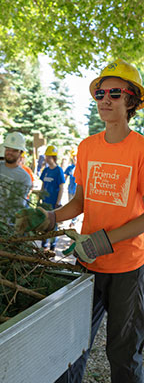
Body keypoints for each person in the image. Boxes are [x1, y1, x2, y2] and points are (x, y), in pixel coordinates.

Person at [15, 59, 144, 383]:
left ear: (131, 100)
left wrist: (103, 241)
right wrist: (48, 217)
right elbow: (79, 202)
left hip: (127, 266)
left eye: (115, 93)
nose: (105, 99)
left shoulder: (141, 149)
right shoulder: (87, 147)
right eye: (100, 93)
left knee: (123, 353)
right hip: (87, 261)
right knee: (69, 346)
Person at [39, 145, 65, 250]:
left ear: (53, 157)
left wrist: (58, 202)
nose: (46, 158)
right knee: (44, 224)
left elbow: (62, 187)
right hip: (45, 202)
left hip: (53, 202)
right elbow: (43, 185)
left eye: (48, 156)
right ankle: (44, 245)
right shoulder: (45, 170)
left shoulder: (58, 170)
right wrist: (40, 197)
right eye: (46, 156)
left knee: (53, 225)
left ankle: (52, 247)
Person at [64, 148, 77, 227]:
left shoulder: (82, 166)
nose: (75, 158)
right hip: (70, 190)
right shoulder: (70, 168)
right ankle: (73, 219)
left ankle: (74, 221)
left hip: (77, 190)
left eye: (76, 156)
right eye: (74, 156)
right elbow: (64, 178)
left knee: (76, 206)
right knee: (71, 206)